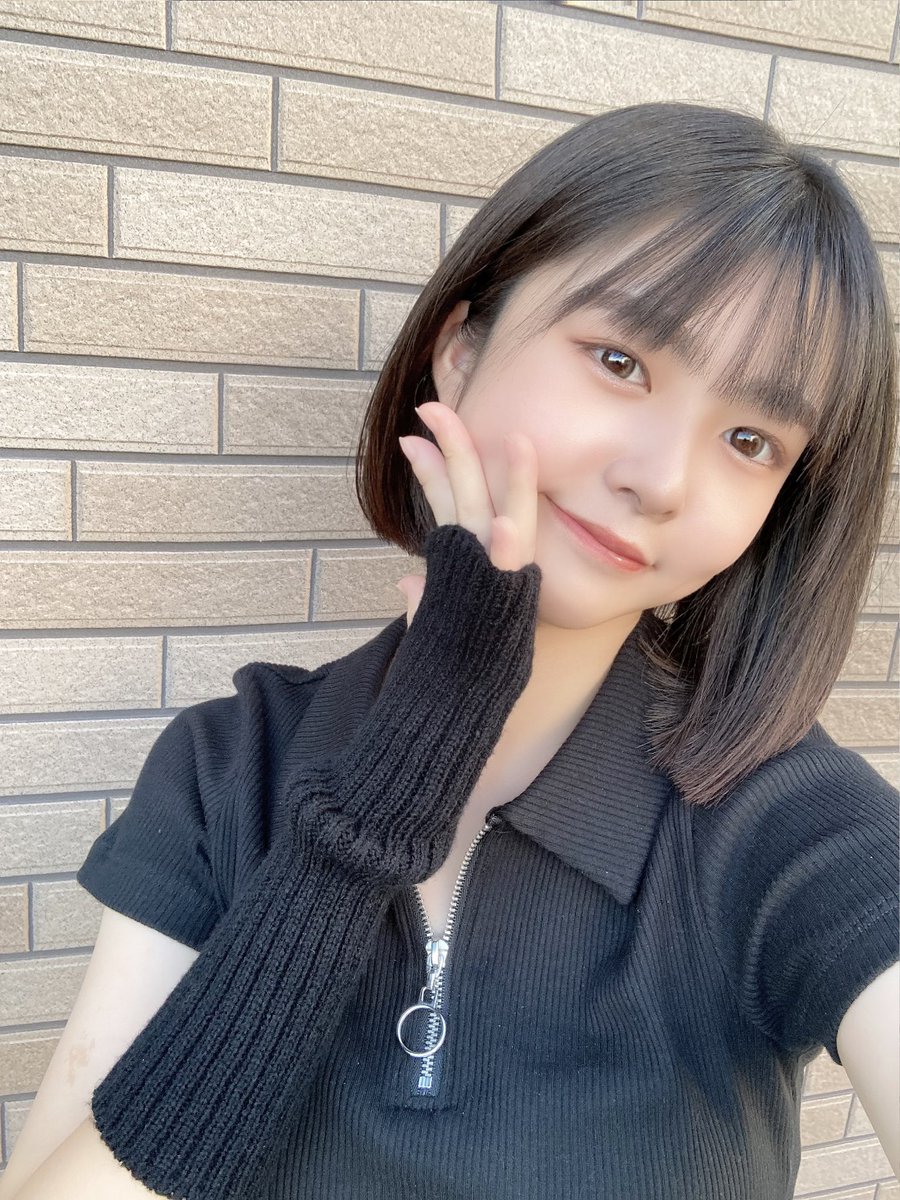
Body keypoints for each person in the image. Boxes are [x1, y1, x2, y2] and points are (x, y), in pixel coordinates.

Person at [4, 101, 898, 1200]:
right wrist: (377, 807)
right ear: (461, 353)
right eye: (621, 359)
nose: (663, 478)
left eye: (750, 439)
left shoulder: (799, 829)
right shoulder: (229, 769)